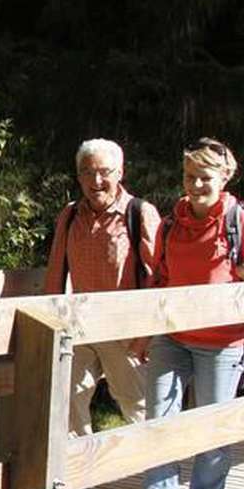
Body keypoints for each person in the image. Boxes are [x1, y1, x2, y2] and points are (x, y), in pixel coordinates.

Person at [132, 137, 244, 489]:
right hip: (172, 337)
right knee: (159, 416)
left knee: (213, 424)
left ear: (224, 177)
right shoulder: (172, 222)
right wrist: (146, 333)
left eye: (205, 178)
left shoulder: (242, 221)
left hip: (222, 342)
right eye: (190, 177)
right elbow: (161, 279)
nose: (195, 186)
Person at [43, 138, 161, 440]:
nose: (96, 181)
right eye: (86, 172)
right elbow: (56, 273)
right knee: (65, 402)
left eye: (104, 171)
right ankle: (77, 476)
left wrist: (145, 337)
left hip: (126, 330)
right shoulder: (70, 215)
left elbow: (158, 278)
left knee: (139, 407)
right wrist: (50, 327)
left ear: (119, 172)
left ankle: (157, 477)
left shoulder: (139, 213)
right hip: (80, 327)